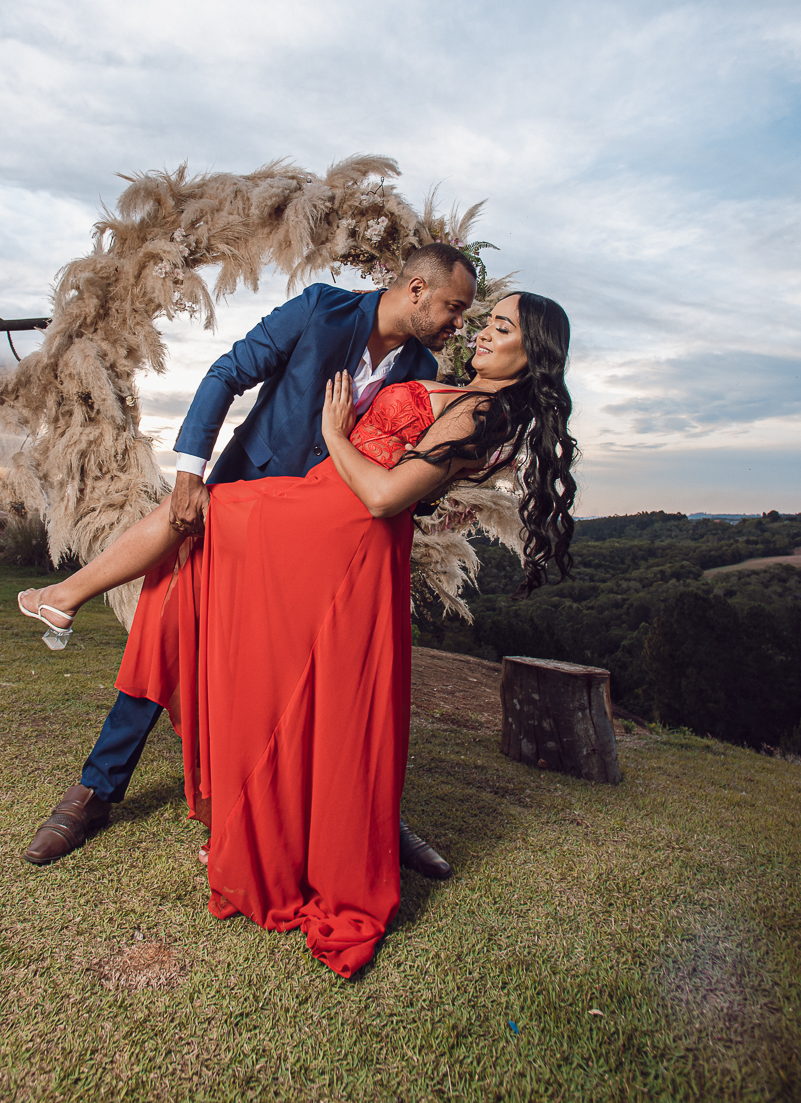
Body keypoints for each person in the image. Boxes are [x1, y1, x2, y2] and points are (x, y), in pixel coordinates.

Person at [18, 289, 578, 977]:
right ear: (416, 291)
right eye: (467, 312)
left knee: (206, 559)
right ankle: (123, 785)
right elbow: (231, 375)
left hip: (334, 526)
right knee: (194, 578)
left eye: (494, 324)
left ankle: (65, 600)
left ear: (534, 349)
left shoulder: (472, 398)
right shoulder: (332, 317)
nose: (471, 329)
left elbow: (388, 492)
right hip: (308, 505)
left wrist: (340, 434)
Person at [19, 244, 478, 874]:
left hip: (324, 540)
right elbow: (226, 373)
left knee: (328, 676)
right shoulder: (322, 308)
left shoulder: (423, 366)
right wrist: (190, 474)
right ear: (418, 288)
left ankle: (373, 815)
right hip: (242, 504)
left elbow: (397, 467)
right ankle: (95, 791)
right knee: (168, 627)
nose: (458, 324)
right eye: (454, 307)